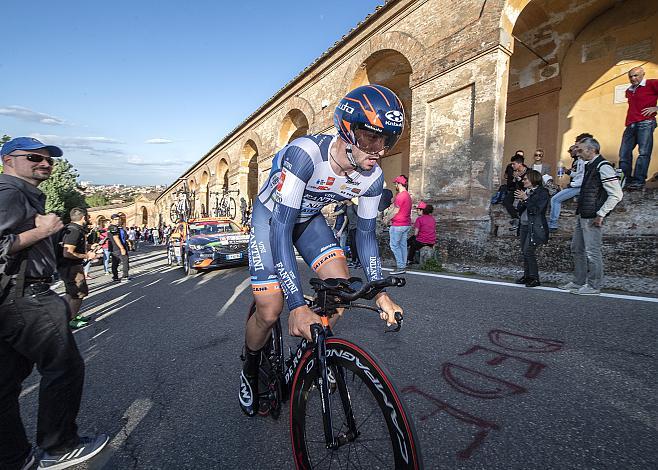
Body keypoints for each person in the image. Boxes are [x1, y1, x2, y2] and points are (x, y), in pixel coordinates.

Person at [240, 84, 406, 417]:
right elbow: (281, 231)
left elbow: (367, 236)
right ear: (347, 130)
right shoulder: (305, 155)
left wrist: (379, 293)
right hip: (272, 219)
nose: (381, 150)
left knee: (341, 290)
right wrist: (297, 305)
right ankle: (250, 368)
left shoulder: (372, 177)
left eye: (388, 140)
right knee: (271, 310)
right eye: (373, 138)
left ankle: (313, 349)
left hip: (309, 220)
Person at [0, 137, 108, 470]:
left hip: (11, 297)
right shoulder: (11, 193)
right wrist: (41, 231)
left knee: (5, 384)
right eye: (34, 157)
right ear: (8, 159)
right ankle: (59, 445)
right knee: (64, 366)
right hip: (26, 296)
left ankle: (14, 458)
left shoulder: (19, 193)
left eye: (49, 160)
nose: (45, 163)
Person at [559, 137, 623, 295]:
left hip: (593, 216)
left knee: (592, 251)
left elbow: (616, 194)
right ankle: (578, 281)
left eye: (580, 150)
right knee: (577, 248)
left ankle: (594, 286)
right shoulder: (589, 166)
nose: (577, 153)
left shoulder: (603, 166)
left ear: (591, 150)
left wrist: (601, 214)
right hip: (583, 214)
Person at [60, 207, 101, 329]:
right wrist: (87, 255)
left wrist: (89, 246)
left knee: (70, 293)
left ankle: (69, 316)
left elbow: (74, 245)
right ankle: (71, 319)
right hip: (71, 266)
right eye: (88, 217)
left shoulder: (72, 228)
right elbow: (67, 252)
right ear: (83, 217)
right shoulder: (74, 231)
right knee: (79, 293)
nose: (89, 219)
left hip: (67, 266)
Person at [619, 66, 658, 190]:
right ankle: (625, 180)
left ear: (642, 75)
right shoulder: (629, 91)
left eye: (636, 75)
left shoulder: (652, 83)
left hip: (646, 122)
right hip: (630, 124)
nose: (633, 78)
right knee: (624, 153)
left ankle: (638, 181)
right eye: (630, 76)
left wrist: (656, 108)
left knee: (644, 153)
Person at [514, 170, 549, 287]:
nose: (523, 181)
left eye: (525, 179)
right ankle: (527, 276)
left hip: (535, 226)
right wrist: (521, 201)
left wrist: (526, 199)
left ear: (533, 179)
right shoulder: (526, 191)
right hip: (524, 225)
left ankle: (535, 278)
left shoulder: (542, 193)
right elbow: (519, 210)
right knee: (524, 252)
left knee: (529, 251)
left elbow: (537, 210)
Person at [549, 143, 585, 231]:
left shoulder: (584, 161)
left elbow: (583, 179)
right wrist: (568, 172)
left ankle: (553, 224)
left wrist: (569, 185)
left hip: (578, 187)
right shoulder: (580, 160)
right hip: (576, 185)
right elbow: (578, 175)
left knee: (555, 199)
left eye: (576, 147)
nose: (573, 151)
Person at [385, 175, 412, 275]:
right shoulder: (407, 195)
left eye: (396, 183)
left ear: (399, 184)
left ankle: (400, 267)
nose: (395, 185)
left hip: (398, 225)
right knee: (402, 245)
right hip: (406, 224)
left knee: (394, 245)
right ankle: (403, 265)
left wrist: (387, 219)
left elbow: (395, 211)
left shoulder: (401, 196)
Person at [503, 155, 529, 226]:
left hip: (526, 191)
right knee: (506, 200)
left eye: (514, 164)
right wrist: (513, 179)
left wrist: (519, 179)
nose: (512, 165)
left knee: (521, 205)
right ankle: (515, 217)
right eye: (512, 164)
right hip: (516, 190)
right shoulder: (513, 171)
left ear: (520, 164)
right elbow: (510, 185)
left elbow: (528, 185)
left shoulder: (529, 172)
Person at [108, 214, 130, 281]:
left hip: (114, 248)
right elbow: (116, 238)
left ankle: (115, 277)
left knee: (115, 262)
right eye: (115, 220)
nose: (117, 221)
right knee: (125, 261)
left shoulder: (114, 227)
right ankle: (125, 276)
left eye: (118, 219)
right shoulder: (113, 227)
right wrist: (122, 248)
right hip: (117, 248)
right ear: (111, 220)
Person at [345, 199, 360, 269]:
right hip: (350, 228)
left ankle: (359, 261)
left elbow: (360, 216)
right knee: (351, 245)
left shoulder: (354, 206)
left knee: (356, 245)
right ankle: (353, 260)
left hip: (356, 228)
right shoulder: (346, 207)